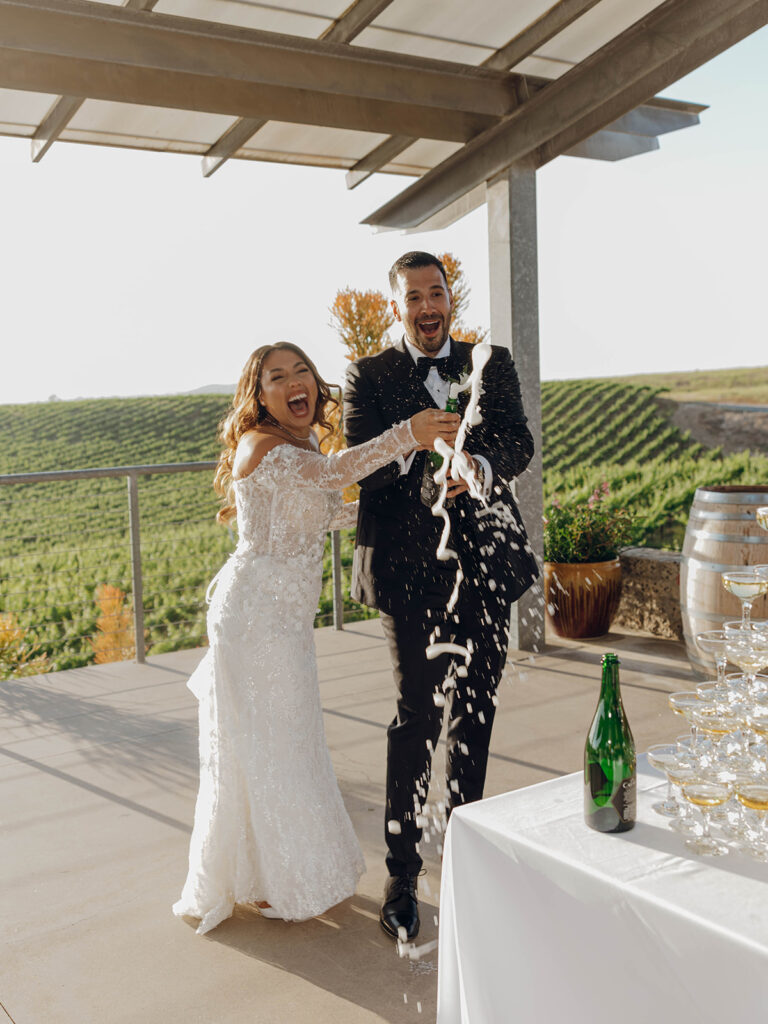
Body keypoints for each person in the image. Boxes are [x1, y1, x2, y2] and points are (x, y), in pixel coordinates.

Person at [173, 341, 460, 934]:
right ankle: (274, 880)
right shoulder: (261, 444)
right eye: (278, 376)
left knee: (288, 742)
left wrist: (424, 501)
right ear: (259, 396)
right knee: (271, 746)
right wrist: (409, 431)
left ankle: (277, 873)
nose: (295, 381)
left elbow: (324, 512)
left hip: (284, 619)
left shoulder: (299, 444)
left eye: (302, 370)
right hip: (254, 617)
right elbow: (335, 474)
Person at [343, 252, 539, 942]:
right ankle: (400, 873)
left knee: (474, 713)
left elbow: (518, 441)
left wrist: (479, 469)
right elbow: (360, 466)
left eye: (438, 293)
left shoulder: (492, 362)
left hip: (482, 565)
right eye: (414, 296)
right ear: (395, 305)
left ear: (449, 299)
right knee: (416, 716)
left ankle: (465, 856)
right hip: (408, 569)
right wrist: (414, 445)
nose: (429, 306)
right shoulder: (368, 376)